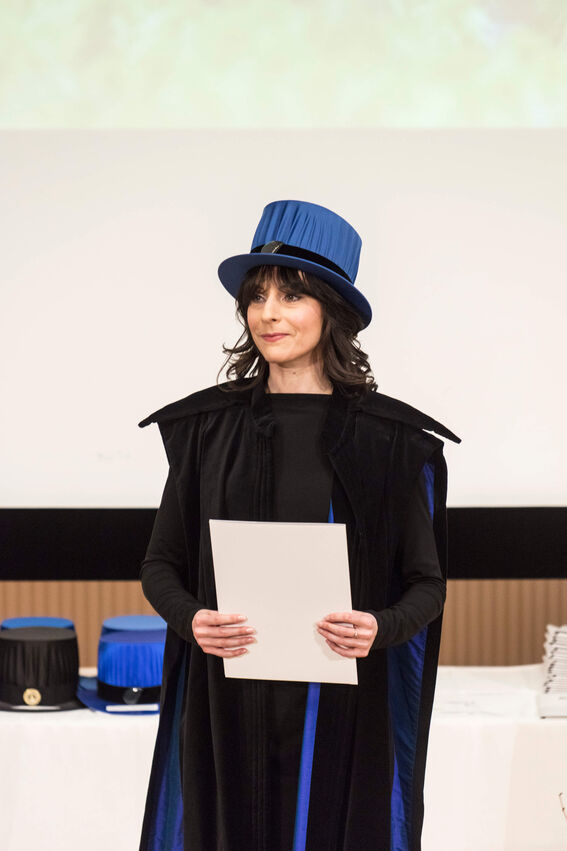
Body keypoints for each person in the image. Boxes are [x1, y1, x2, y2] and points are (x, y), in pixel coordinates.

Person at [138, 200, 460, 851]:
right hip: (224, 710)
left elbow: (426, 584)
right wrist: (192, 619)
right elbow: (160, 566)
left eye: (291, 294)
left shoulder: (390, 443)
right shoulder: (204, 431)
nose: (268, 312)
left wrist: (379, 626)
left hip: (340, 716)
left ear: (332, 310)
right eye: (256, 296)